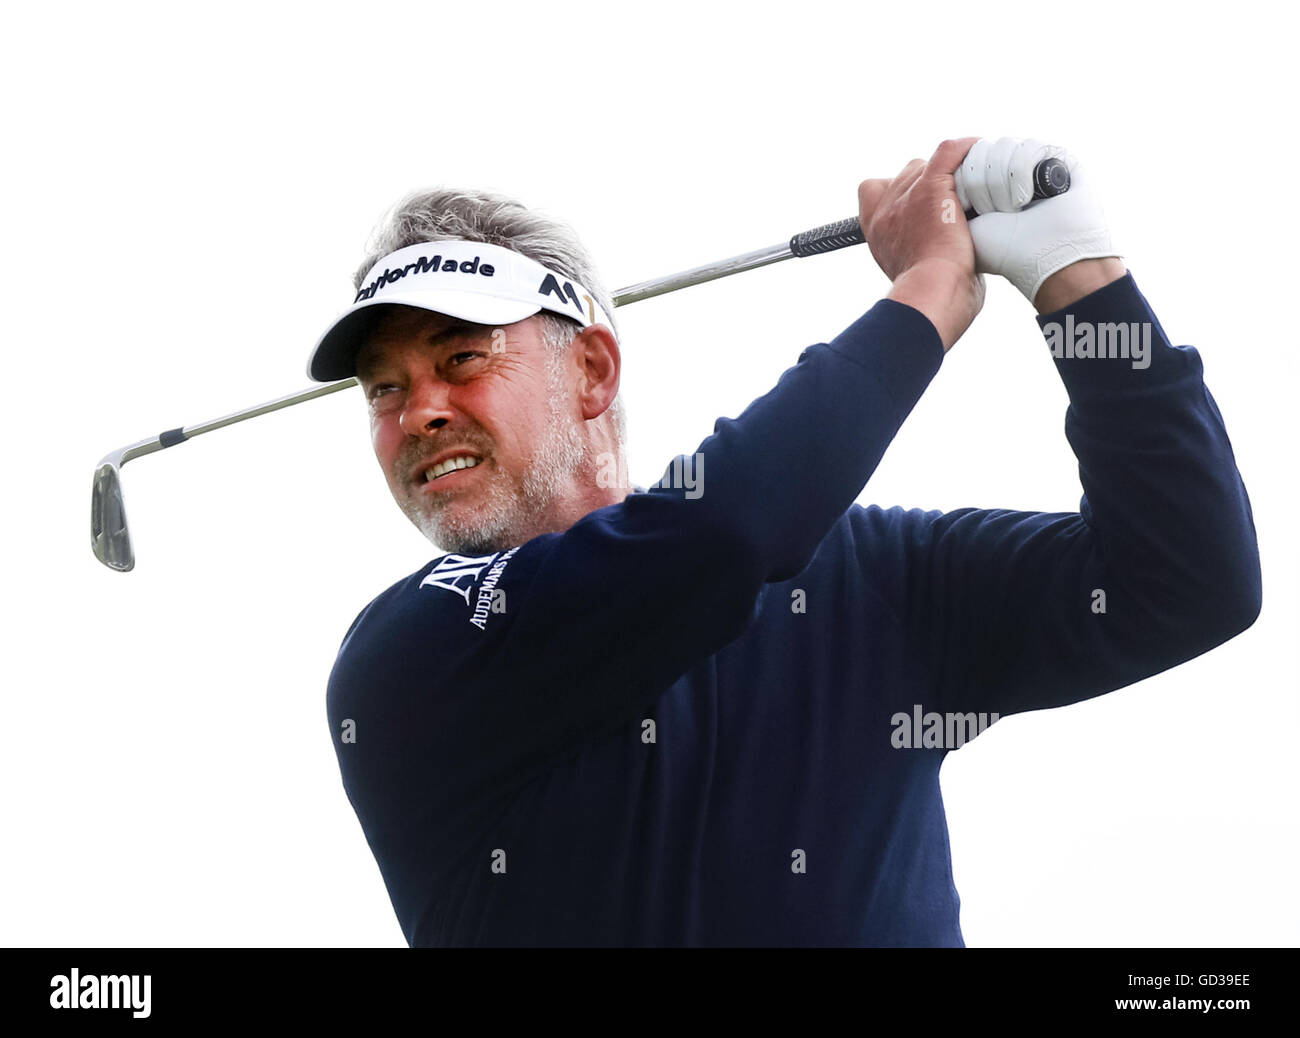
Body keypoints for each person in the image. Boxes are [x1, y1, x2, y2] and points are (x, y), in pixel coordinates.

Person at [310, 137, 1261, 946]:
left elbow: (1186, 578)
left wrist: (1079, 278)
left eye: (462, 357)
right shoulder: (412, 653)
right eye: (384, 389)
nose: (419, 412)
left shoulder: (865, 580)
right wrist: (929, 292)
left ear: (592, 369)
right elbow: (724, 530)